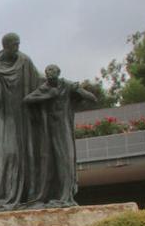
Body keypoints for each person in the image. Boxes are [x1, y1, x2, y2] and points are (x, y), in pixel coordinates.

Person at [0, 32, 46, 212]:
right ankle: (7, 196)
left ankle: (30, 197)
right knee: (10, 154)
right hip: (6, 118)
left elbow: (38, 79)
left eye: (19, 44)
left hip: (25, 117)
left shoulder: (25, 61)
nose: (17, 47)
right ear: (5, 46)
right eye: (14, 45)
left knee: (29, 154)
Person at [24, 64, 97, 207]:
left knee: (66, 160)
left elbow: (88, 96)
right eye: (47, 71)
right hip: (49, 130)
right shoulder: (44, 88)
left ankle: (65, 197)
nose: (49, 73)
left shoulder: (67, 85)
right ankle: (53, 195)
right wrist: (47, 96)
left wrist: (84, 94)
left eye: (52, 70)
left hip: (63, 127)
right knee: (50, 162)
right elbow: (27, 99)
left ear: (58, 72)